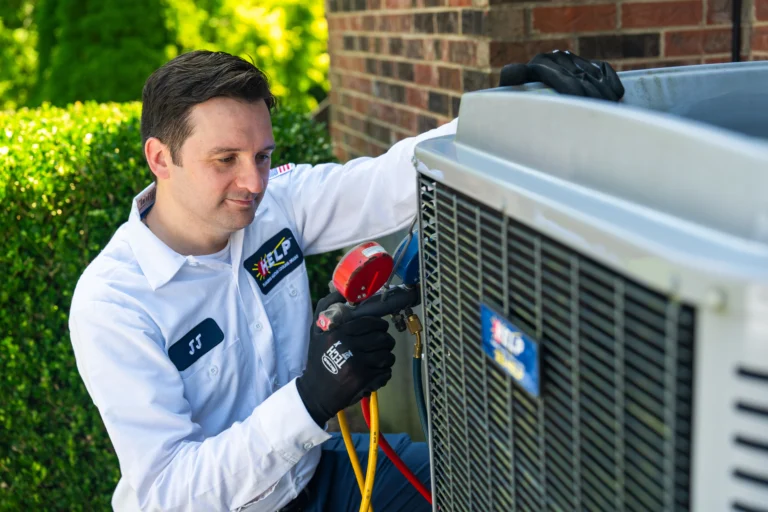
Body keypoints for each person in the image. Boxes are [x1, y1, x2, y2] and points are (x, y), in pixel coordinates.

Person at [68, 49, 623, 512]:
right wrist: (311, 399)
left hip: (319, 477)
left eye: (262, 156)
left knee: (492, 484)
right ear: (160, 159)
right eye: (225, 159)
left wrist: (507, 118)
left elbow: (386, 181)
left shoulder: (273, 209)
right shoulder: (114, 304)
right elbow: (169, 490)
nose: (253, 182)